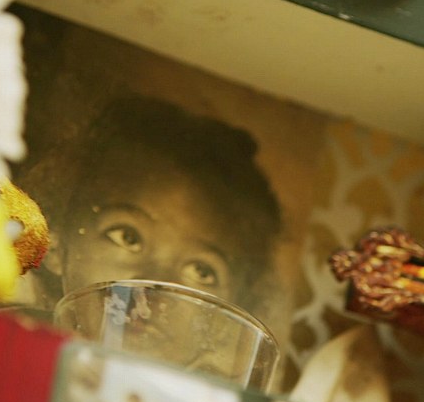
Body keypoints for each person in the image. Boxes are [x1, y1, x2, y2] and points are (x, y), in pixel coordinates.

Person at [20, 95, 283, 327]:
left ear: (226, 320)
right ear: (55, 243)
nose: (155, 288)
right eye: (128, 237)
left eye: (201, 272)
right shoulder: (10, 341)